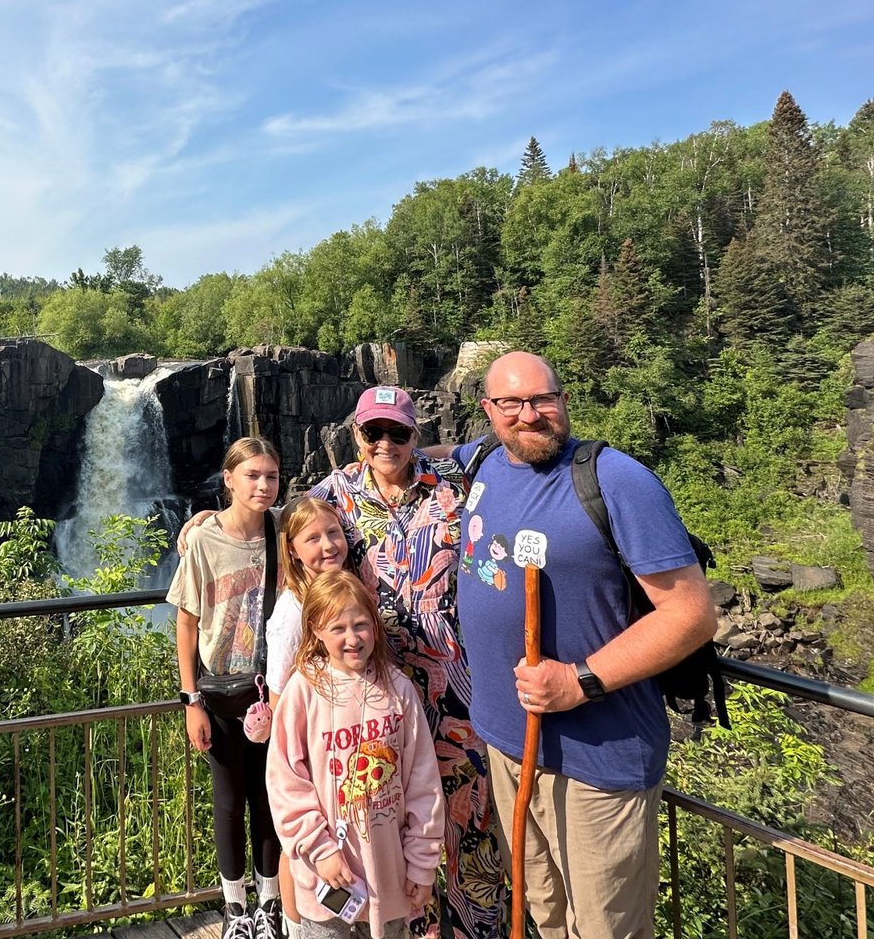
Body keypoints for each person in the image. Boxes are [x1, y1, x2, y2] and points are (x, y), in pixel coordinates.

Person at [450, 351, 716, 939]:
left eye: (544, 399)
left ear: (564, 401)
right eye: (512, 404)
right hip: (507, 745)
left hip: (597, 760)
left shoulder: (617, 481)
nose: (530, 415)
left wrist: (579, 681)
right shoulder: (484, 461)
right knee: (543, 911)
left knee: (602, 928)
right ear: (488, 411)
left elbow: (693, 615)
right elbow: (424, 458)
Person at [307, 387, 504, 939]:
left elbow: (506, 445)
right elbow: (284, 531)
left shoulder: (456, 485)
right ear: (357, 436)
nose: (385, 443)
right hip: (379, 693)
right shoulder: (334, 495)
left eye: (398, 432)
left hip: (460, 690)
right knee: (392, 822)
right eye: (374, 432)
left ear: (416, 436)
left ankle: (475, 929)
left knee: (471, 821)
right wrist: (210, 518)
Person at [267, 570, 446, 939]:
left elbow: (424, 786)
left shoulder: (399, 690)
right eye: (338, 628)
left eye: (361, 625)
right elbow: (286, 781)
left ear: (376, 627)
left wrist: (422, 865)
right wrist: (319, 849)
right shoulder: (304, 690)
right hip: (327, 879)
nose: (352, 639)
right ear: (316, 629)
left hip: (388, 879)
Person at [168, 437, 286, 939]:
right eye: (253, 475)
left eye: (272, 477)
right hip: (218, 694)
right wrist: (190, 699)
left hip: (275, 691)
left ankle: (270, 902)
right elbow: (187, 624)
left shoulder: (284, 531)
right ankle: (235, 908)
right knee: (228, 801)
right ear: (229, 479)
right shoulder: (203, 539)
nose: (263, 485)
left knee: (270, 798)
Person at [264, 496, 356, 939]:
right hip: (309, 755)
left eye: (334, 532)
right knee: (298, 847)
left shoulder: (346, 590)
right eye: (312, 538)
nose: (327, 545)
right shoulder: (291, 613)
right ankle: (296, 927)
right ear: (293, 549)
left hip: (348, 750)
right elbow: (281, 700)